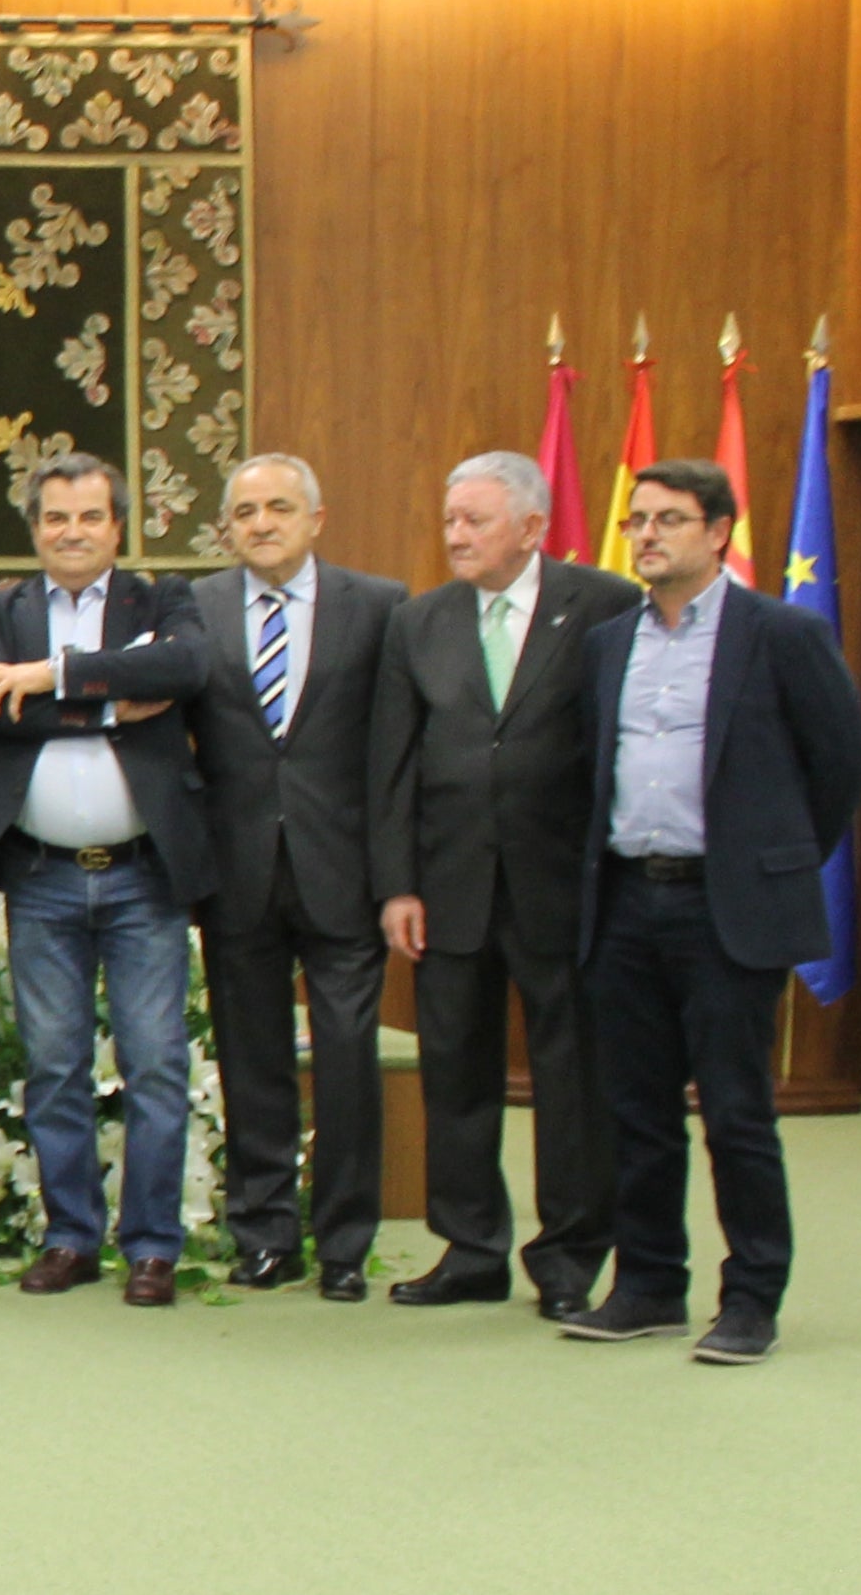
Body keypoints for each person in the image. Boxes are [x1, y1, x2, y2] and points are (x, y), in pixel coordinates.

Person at [556, 459, 861, 1366]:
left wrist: (768, 860)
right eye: (637, 521)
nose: (645, 535)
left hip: (725, 908)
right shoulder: (609, 642)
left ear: (718, 530)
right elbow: (590, 764)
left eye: (668, 520)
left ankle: (751, 1297)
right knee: (636, 1109)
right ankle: (648, 1283)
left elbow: (837, 765)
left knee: (735, 1111)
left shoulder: (780, 634)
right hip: (623, 900)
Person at [372, 452, 642, 1319]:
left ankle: (566, 1257)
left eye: (474, 521)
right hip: (447, 886)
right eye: (449, 520)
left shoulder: (602, 605)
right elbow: (391, 765)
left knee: (570, 1078)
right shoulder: (419, 622)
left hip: (562, 885)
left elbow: (620, 746)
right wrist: (397, 884)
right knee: (455, 1070)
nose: (455, 535)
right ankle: (471, 1246)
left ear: (531, 527)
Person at [0, 452, 212, 1307]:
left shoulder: (161, 602)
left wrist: (48, 678)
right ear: (34, 529)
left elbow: (182, 670)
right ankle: (69, 1235)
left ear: (116, 525)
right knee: (55, 1064)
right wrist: (106, 696)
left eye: (89, 517)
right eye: (55, 518)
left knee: (154, 1065)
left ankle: (150, 1246)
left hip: (143, 880)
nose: (72, 532)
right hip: (42, 880)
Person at [186, 453, 405, 1301]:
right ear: (227, 527)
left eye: (278, 507)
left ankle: (344, 1241)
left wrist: (394, 876)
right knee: (251, 1060)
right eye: (244, 512)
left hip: (342, 869)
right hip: (236, 870)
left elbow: (395, 752)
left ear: (316, 518)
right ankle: (265, 1232)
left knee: (348, 1058)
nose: (261, 523)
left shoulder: (378, 607)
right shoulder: (196, 608)